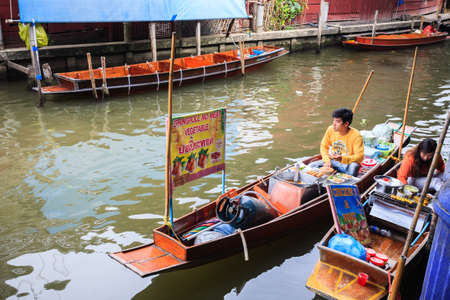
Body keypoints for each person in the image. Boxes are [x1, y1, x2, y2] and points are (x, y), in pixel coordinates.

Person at [311, 108, 364, 176]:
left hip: (347, 164)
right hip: (333, 161)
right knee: (312, 165)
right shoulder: (330, 129)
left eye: (337, 121)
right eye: (333, 120)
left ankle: (346, 183)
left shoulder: (356, 135)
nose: (334, 124)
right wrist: (327, 161)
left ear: (346, 124)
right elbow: (323, 146)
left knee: (354, 166)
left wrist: (342, 158)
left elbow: (360, 157)